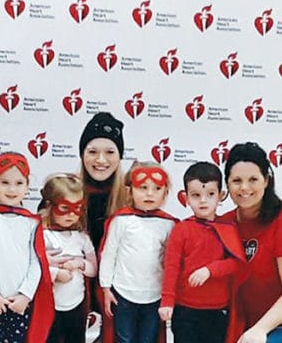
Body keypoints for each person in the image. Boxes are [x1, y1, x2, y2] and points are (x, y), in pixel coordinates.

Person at [0, 152, 54, 342]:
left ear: (27, 186)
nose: (12, 189)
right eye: (5, 182)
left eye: (19, 183)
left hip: (19, 303)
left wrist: (25, 295)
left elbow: (36, 262)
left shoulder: (32, 223)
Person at [158, 161, 245, 343]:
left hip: (217, 310)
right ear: (186, 198)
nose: (203, 200)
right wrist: (167, 301)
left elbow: (237, 263)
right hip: (186, 310)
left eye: (210, 194)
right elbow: (171, 267)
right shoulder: (182, 229)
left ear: (221, 195)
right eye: (196, 195)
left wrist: (210, 270)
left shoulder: (229, 228)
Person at [99, 162, 178, 343]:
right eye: (142, 188)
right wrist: (105, 288)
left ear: (165, 193)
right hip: (123, 292)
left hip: (154, 294)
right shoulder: (121, 220)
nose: (149, 194)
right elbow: (109, 254)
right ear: (130, 191)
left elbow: (171, 262)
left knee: (148, 339)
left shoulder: (169, 224)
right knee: (124, 338)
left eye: (156, 188)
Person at [218, 143, 282, 343]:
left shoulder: (279, 221)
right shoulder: (222, 224)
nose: (244, 188)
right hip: (236, 326)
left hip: (274, 327)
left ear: (266, 181)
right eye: (237, 180)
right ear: (227, 184)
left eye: (253, 179)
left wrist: (260, 330)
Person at [77, 112, 127, 343]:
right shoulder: (64, 194)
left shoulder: (131, 198)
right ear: (82, 154)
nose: (101, 160)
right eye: (92, 151)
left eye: (109, 152)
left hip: (117, 299)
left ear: (119, 156)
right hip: (74, 297)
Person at [39, 173, 97, 343]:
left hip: (77, 304)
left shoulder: (81, 237)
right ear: (49, 205)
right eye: (65, 208)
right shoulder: (42, 235)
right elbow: (33, 268)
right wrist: (55, 273)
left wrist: (81, 263)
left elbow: (93, 269)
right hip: (49, 306)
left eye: (77, 208)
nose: (71, 215)